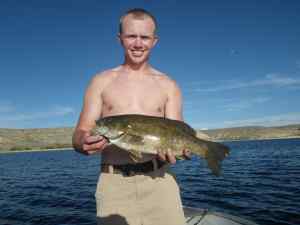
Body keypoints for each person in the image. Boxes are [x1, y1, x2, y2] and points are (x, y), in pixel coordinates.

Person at [72, 8, 191, 225]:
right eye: (131, 36)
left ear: (154, 41)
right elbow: (80, 132)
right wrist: (83, 142)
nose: (138, 43)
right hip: (113, 185)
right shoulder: (101, 81)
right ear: (120, 39)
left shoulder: (169, 85)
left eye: (144, 37)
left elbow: (178, 130)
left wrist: (180, 152)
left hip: (161, 181)